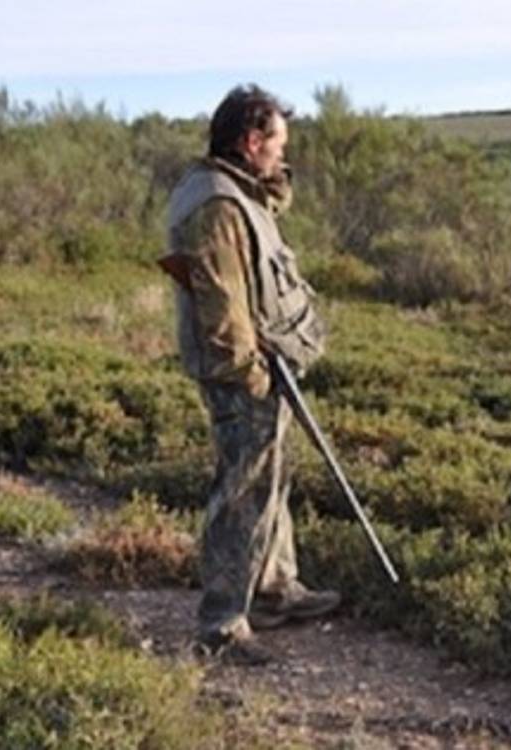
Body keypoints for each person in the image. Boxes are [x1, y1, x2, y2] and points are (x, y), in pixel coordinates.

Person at [158, 84, 335, 665]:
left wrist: (272, 183)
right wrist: (252, 374)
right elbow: (222, 306)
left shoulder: (233, 191)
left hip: (262, 361)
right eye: (277, 144)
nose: (284, 156)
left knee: (270, 477)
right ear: (250, 141)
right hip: (244, 369)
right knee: (243, 490)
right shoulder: (216, 204)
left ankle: (274, 588)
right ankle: (222, 623)